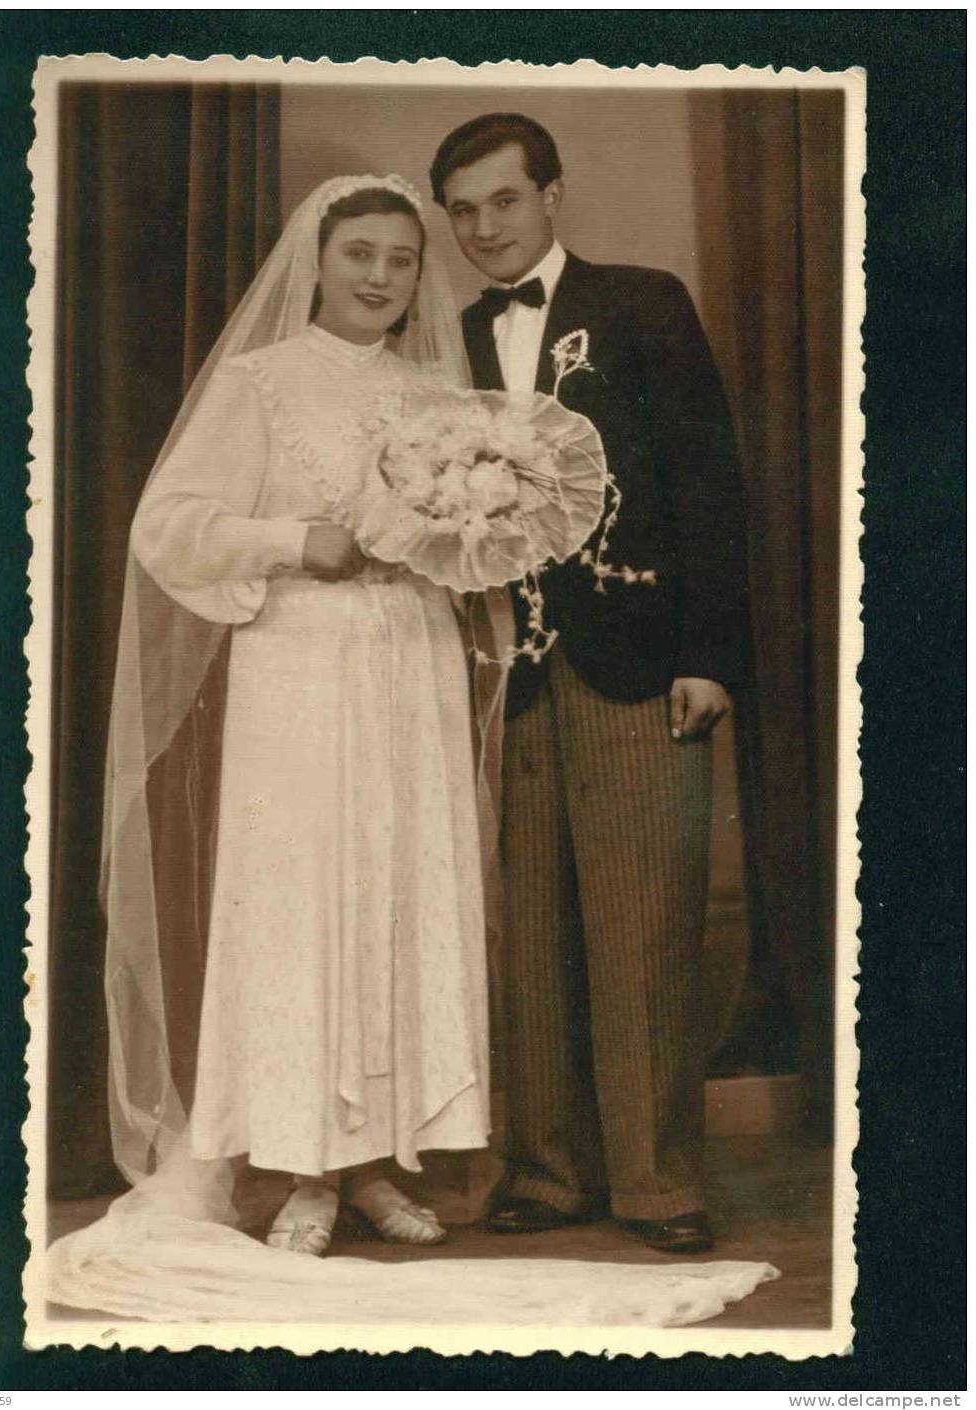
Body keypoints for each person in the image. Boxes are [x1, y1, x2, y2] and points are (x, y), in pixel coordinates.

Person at [99, 173, 507, 1261]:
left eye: (401, 260)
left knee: (396, 893)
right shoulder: (260, 381)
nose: (380, 277)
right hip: (298, 668)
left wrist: (470, 539)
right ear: (316, 262)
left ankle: (377, 1164)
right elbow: (169, 524)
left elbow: (471, 543)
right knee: (303, 898)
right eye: (359, 255)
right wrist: (292, 541)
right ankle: (302, 1171)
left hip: (408, 663)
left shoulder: (439, 392)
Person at [430, 114, 750, 1253]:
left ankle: (656, 1184)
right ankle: (546, 1174)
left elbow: (707, 479)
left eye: (500, 202)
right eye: (460, 211)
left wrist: (707, 652)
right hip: (501, 673)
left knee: (646, 922)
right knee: (529, 930)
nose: (481, 229)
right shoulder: (449, 336)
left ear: (551, 195)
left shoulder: (641, 301)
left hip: (638, 656)